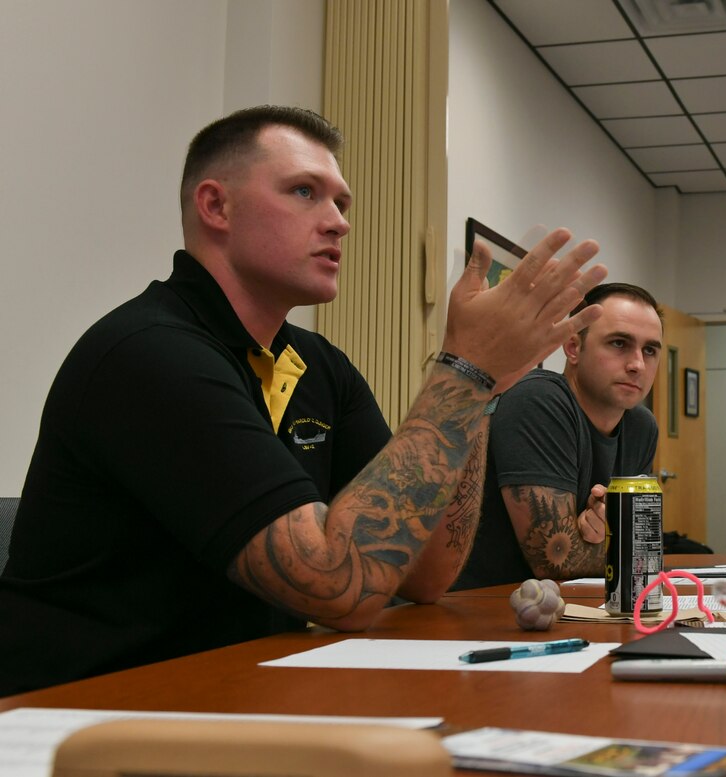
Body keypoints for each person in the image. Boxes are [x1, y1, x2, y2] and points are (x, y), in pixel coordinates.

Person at [0, 105, 607, 696]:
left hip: (239, 696)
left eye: (341, 202)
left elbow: (425, 573)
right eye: (304, 192)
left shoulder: (320, 366)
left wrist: (483, 392)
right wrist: (464, 372)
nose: (339, 221)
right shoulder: (150, 355)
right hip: (88, 719)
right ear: (216, 206)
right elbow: (337, 587)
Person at [454, 283, 661, 589]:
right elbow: (556, 561)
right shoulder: (539, 400)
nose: (637, 365)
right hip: (475, 610)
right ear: (573, 347)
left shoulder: (641, 426)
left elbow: (645, 548)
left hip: (568, 608)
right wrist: (615, 543)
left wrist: (604, 538)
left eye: (650, 350)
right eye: (619, 343)